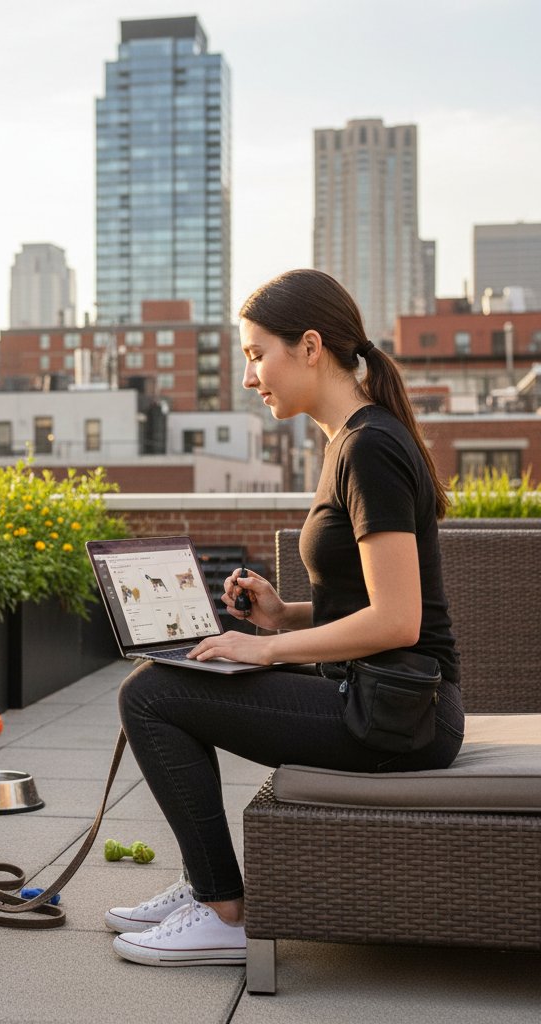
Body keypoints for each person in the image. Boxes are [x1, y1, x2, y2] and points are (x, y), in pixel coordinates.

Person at [107, 269, 464, 968]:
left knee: (151, 695)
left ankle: (222, 910)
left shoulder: (369, 447)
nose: (249, 377)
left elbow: (398, 622)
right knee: (162, 685)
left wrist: (265, 651)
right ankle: (207, 887)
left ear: (308, 346)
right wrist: (281, 615)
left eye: (255, 354)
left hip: (397, 716)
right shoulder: (353, 441)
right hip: (383, 701)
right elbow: (372, 602)